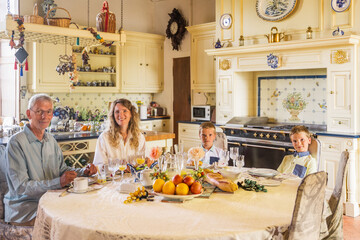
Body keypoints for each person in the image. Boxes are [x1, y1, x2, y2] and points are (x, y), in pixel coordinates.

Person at [4, 94, 97, 226]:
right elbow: (21, 188)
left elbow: (62, 170)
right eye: (39, 111)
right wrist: (58, 182)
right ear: (29, 114)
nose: (45, 116)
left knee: (85, 209)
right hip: (25, 208)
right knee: (68, 221)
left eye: (48, 112)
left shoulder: (51, 140)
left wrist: (83, 172)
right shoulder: (16, 143)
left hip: (50, 201)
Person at [93, 98, 146, 166]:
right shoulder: (104, 137)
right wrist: (119, 168)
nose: (121, 115)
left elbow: (143, 162)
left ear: (131, 114)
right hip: (112, 176)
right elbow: (99, 165)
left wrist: (148, 161)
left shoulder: (139, 137)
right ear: (113, 115)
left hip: (134, 176)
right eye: (117, 112)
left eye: (124, 111)